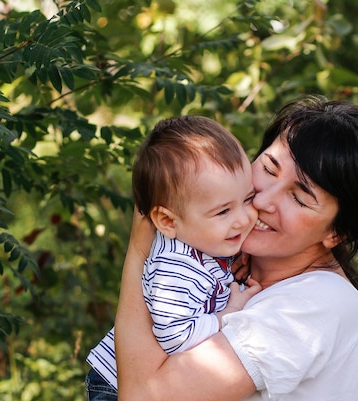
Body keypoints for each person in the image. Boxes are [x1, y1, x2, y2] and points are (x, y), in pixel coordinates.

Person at [115, 95, 358, 401]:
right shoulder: (224, 265)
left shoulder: (315, 307)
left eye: (299, 198)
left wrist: (140, 249)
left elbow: (141, 396)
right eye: (269, 168)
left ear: (336, 233)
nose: (261, 201)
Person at [85, 116, 262, 400]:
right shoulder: (175, 268)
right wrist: (226, 315)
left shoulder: (199, 235)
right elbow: (176, 335)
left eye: (248, 199)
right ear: (167, 221)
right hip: (114, 384)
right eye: (223, 211)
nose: (243, 220)